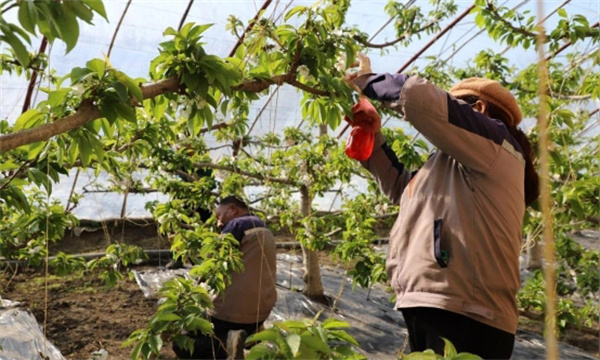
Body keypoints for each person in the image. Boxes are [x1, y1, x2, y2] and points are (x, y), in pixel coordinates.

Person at [343, 55, 539, 359]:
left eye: (454, 104)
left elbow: (420, 98)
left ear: (479, 109)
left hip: (469, 314)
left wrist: (368, 81)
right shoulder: (453, 164)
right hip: (439, 304)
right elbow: (403, 190)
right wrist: (374, 137)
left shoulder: (498, 145)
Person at [173, 196, 277, 359]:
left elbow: (211, 265)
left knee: (183, 342)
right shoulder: (263, 227)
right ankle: (250, 337)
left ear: (233, 209)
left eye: (219, 216)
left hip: (233, 313)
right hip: (261, 312)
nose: (219, 223)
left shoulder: (237, 225)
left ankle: (228, 343)